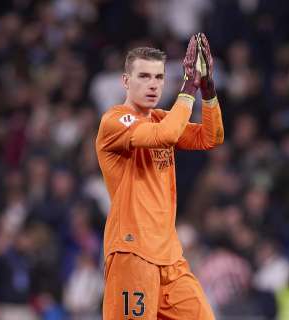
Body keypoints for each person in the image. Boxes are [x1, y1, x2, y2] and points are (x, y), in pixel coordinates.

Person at [95, 33, 223, 319]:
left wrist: (207, 89)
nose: (153, 84)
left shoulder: (162, 118)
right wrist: (189, 86)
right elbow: (166, 135)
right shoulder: (114, 121)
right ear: (126, 81)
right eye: (143, 76)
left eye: (158, 77)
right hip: (132, 252)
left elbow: (210, 137)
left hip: (169, 257)